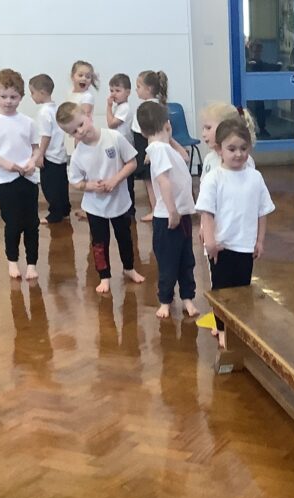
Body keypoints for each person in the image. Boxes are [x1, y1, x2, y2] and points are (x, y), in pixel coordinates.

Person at [195, 118, 275, 349]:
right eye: (232, 149)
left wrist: (259, 240)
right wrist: (210, 242)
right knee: (222, 292)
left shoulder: (255, 177)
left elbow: (262, 211)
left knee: (241, 291)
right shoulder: (214, 178)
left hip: (245, 247)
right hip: (221, 247)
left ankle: (236, 326)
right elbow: (207, 213)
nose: (238, 154)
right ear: (219, 149)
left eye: (243, 148)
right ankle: (221, 329)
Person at [57, 102, 145, 294]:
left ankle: (129, 268)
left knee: (125, 238)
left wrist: (115, 179)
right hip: (95, 207)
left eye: (80, 124)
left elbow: (132, 162)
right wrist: (91, 186)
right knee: (99, 242)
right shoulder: (79, 154)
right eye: (73, 132)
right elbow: (76, 181)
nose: (79, 132)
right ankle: (104, 275)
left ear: (88, 117)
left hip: (120, 202)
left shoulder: (114, 137)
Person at [0, 69, 42, 281]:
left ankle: (32, 263)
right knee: (12, 223)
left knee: (32, 224)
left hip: (28, 178)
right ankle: (12, 261)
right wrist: (6, 164)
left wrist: (32, 162)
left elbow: (36, 148)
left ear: (21, 97)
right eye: (3, 96)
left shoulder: (28, 122)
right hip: (5, 180)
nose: (8, 101)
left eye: (13, 97)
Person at [136, 101, 199, 320]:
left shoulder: (164, 148)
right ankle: (165, 300)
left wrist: (170, 138)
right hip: (168, 218)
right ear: (167, 123)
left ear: (143, 131)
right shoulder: (158, 150)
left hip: (181, 215)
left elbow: (185, 156)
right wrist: (172, 211)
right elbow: (163, 182)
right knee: (168, 262)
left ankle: (188, 298)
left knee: (186, 259)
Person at [129, 71, 189, 224]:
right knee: (155, 180)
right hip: (150, 146)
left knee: (152, 181)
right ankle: (159, 208)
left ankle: (156, 209)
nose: (136, 90)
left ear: (148, 89)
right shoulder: (157, 106)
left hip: (146, 146)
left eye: (138, 87)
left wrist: (148, 153)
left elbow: (144, 132)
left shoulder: (147, 108)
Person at [29, 74, 70, 225]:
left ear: (42, 93)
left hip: (50, 155)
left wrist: (40, 154)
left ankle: (55, 214)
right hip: (60, 153)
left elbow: (45, 136)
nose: (31, 96)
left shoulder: (43, 112)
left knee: (50, 186)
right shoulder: (55, 109)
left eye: (32, 92)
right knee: (61, 184)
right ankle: (65, 210)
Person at [67, 60, 99, 219]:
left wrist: (77, 133)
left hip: (84, 136)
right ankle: (87, 206)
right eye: (81, 75)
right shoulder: (72, 94)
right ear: (72, 76)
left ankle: (91, 207)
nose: (84, 79)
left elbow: (83, 116)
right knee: (82, 169)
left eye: (88, 76)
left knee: (88, 171)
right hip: (77, 136)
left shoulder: (87, 96)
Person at [105, 73, 137, 217]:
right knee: (121, 177)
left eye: (118, 91)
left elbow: (111, 124)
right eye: (112, 90)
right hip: (119, 146)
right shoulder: (119, 107)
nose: (114, 94)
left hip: (125, 146)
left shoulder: (124, 108)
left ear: (128, 92)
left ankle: (129, 209)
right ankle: (122, 206)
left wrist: (108, 106)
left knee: (127, 179)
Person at [199, 102, 257, 177]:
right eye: (203, 129)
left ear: (224, 127)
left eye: (208, 128)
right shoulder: (209, 159)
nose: (203, 134)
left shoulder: (242, 159)